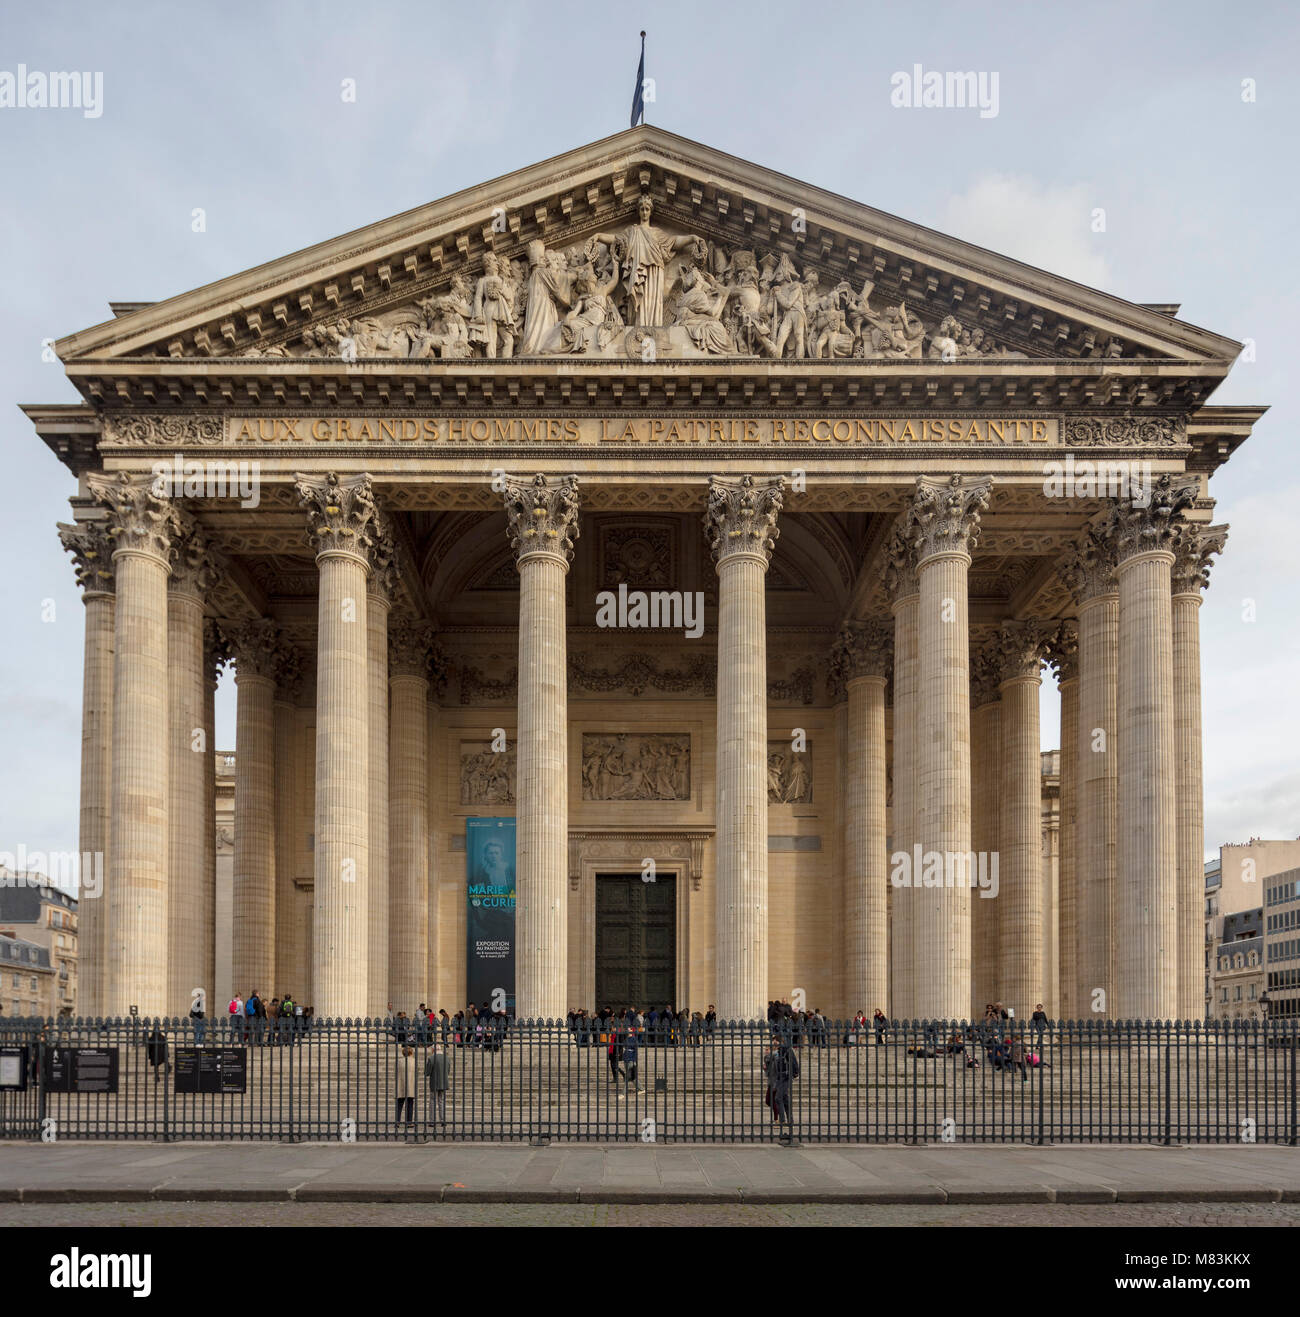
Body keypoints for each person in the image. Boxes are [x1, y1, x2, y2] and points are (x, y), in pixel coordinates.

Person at [764, 1036, 800, 1139]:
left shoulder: (786, 1050)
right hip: (780, 1077)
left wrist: (795, 1072)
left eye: (774, 1041)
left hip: (786, 1076)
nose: (773, 1043)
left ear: (779, 1041)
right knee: (784, 1098)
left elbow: (793, 1061)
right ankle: (790, 1119)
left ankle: (782, 1120)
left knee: (777, 1098)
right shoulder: (780, 1051)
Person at [424, 1040, 451, 1128]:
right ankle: (442, 1120)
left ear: (433, 1050)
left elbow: (427, 1072)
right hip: (443, 1081)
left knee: (432, 1101)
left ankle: (432, 1121)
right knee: (441, 1101)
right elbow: (448, 1071)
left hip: (434, 1082)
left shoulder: (431, 1058)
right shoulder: (446, 1058)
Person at [618, 1019, 642, 1098]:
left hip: (631, 1059)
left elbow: (635, 1051)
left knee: (627, 1077)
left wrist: (634, 1060)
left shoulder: (634, 1039)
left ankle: (623, 1093)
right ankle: (641, 1089)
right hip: (626, 1058)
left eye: (629, 1029)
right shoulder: (626, 1038)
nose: (627, 1030)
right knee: (632, 1077)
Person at [395, 1044, 416, 1129]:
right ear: (411, 1053)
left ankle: (398, 1121)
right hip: (411, 1084)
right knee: (410, 1104)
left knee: (399, 1104)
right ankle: (409, 1122)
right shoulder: (414, 1061)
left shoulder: (399, 1061)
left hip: (401, 1084)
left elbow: (396, 1072)